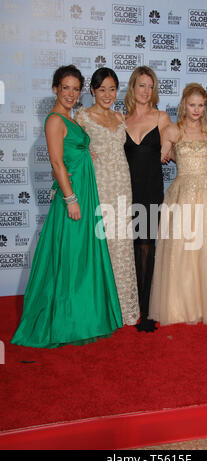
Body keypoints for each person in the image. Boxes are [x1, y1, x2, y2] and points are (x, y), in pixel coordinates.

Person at [11, 65, 123, 348]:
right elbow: (57, 162)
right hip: (73, 198)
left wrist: (88, 154)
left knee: (81, 257)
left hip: (86, 190)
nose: (71, 94)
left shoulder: (69, 119)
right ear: (55, 89)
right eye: (66, 88)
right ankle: (66, 319)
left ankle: (81, 315)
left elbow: (72, 152)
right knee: (71, 258)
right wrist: (70, 199)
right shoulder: (54, 121)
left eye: (76, 89)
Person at [148, 83, 207, 326]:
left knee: (206, 250)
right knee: (181, 250)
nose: (196, 109)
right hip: (181, 193)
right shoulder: (172, 131)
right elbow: (166, 155)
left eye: (201, 105)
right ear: (184, 104)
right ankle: (178, 306)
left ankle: (205, 304)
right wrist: (165, 152)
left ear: (205, 107)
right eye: (192, 104)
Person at [75, 68, 139, 326]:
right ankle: (100, 308)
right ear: (92, 90)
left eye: (112, 89)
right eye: (102, 89)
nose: (107, 94)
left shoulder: (120, 117)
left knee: (121, 244)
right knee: (99, 244)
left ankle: (124, 308)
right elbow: (72, 150)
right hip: (99, 187)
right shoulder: (82, 117)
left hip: (122, 185)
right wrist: (83, 156)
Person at [124, 66, 171, 332]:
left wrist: (170, 147)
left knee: (146, 246)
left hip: (151, 189)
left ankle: (148, 307)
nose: (146, 91)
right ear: (133, 88)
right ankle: (131, 304)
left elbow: (175, 143)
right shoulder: (122, 120)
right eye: (142, 85)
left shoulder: (162, 117)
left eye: (150, 86)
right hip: (127, 191)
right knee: (129, 247)